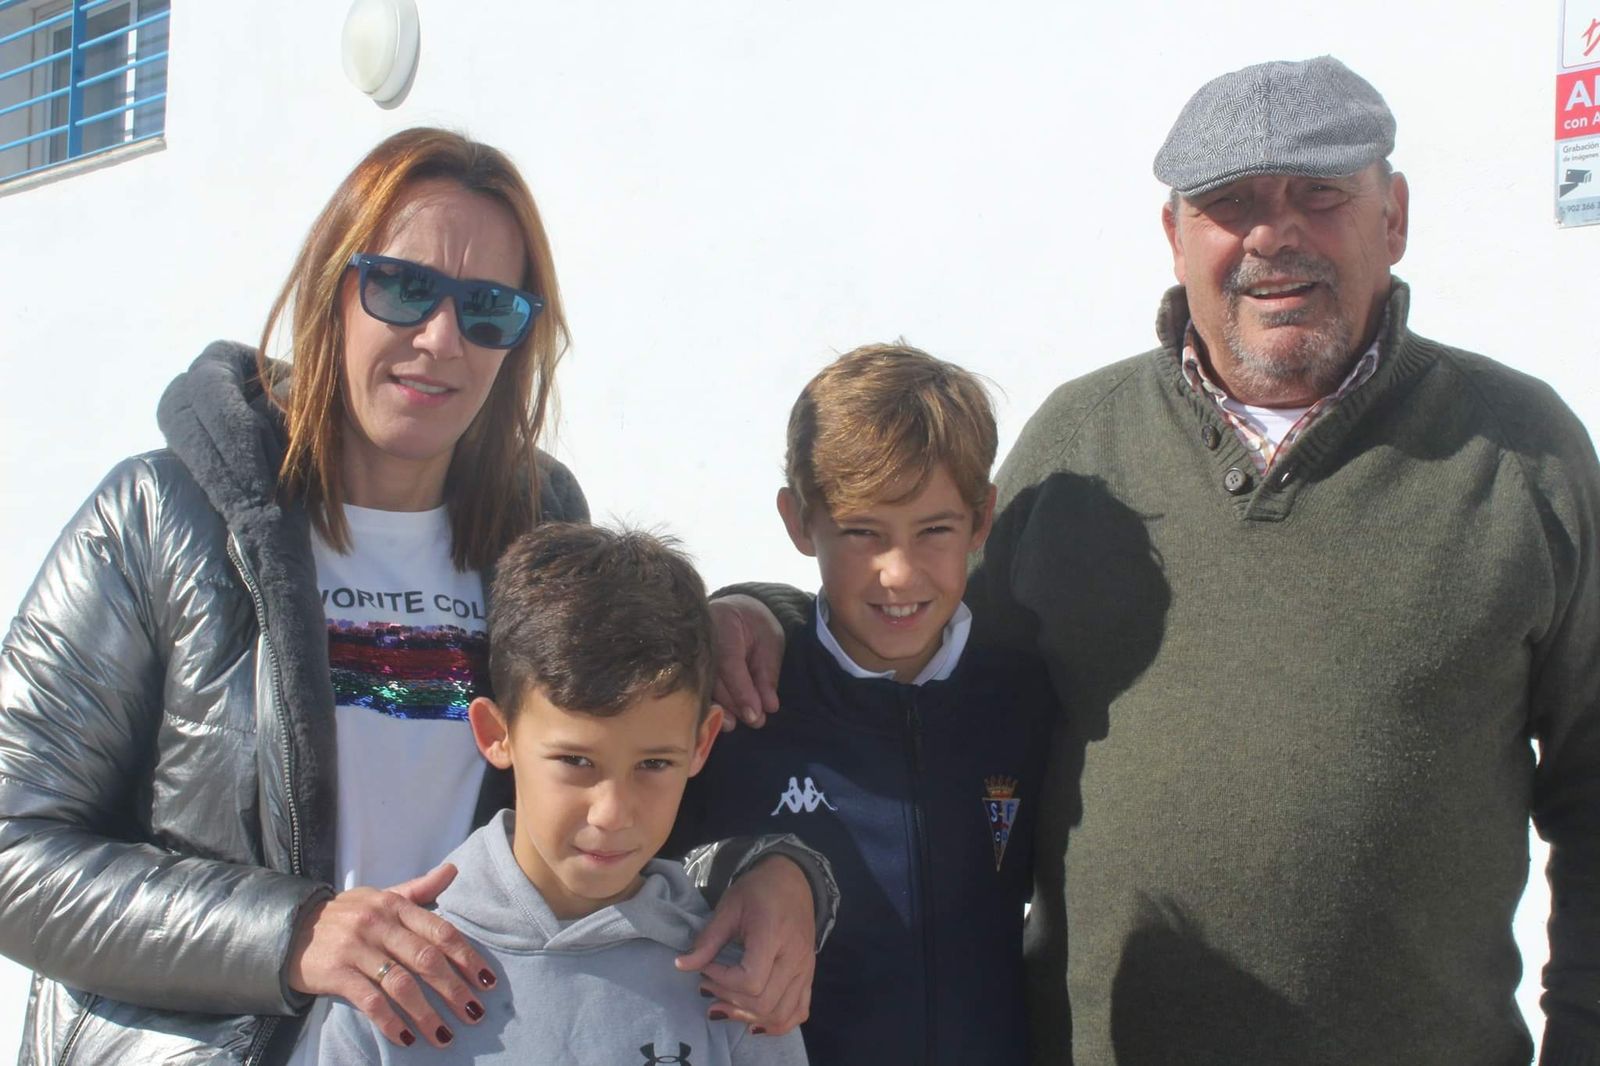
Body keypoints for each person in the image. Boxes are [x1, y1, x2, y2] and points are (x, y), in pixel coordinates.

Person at [713, 57, 1600, 1065]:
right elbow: (915, 641)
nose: (1274, 234)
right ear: (1175, 237)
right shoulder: (1078, 449)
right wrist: (762, 614)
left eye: (1320, 193)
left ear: (1391, 217)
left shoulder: (1522, 457)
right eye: (1230, 204)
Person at [0, 127, 830, 1065]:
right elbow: (12, 849)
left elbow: (618, 779)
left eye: (488, 309)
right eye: (401, 286)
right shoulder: (161, 517)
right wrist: (294, 932)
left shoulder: (540, 527)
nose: (441, 339)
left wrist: (776, 867)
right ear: (332, 289)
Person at [674, 344, 1055, 1065]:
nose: (899, 571)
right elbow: (645, 869)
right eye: (861, 532)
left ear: (982, 522)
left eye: (935, 530)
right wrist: (744, 865)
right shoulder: (742, 702)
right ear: (799, 522)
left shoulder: (1026, 703)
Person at [319, 523, 809, 1065]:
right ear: (495, 734)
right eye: (576, 761)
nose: (612, 812)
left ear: (702, 743)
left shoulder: (739, 983)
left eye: (653, 763)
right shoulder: (393, 983)